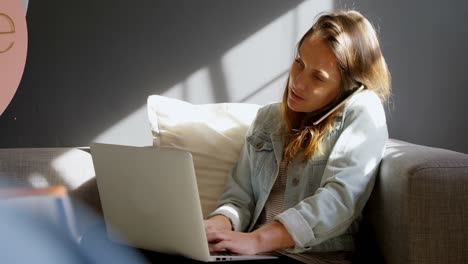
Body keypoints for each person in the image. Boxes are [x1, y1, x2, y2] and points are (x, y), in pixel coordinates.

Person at [204, 10, 391, 263]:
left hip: (308, 258)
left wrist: (257, 240)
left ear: (347, 88)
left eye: (318, 77)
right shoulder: (267, 118)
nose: (297, 82)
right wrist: (217, 227)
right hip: (251, 254)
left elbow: (339, 200)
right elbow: (238, 198)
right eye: (299, 62)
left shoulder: (363, 109)